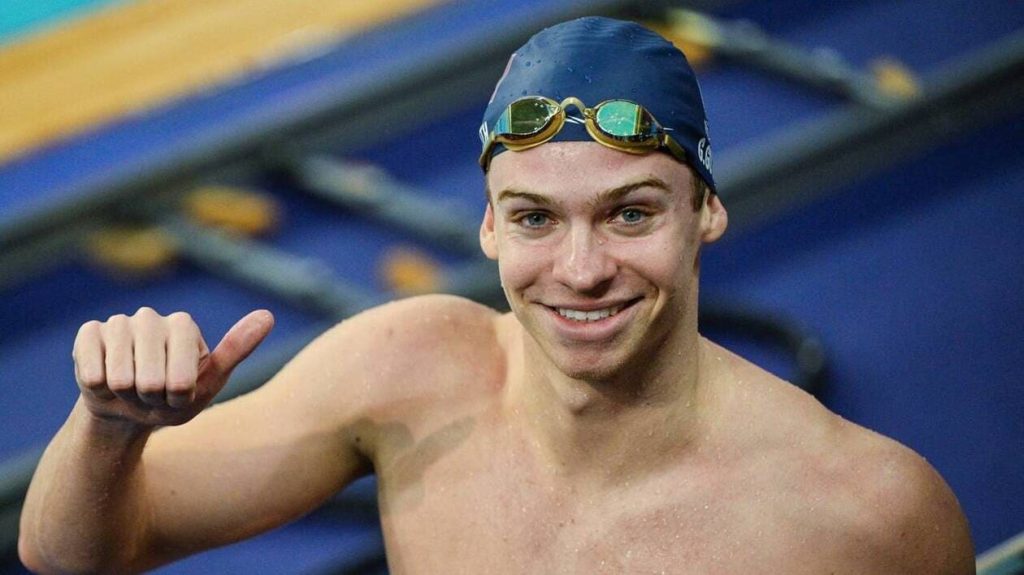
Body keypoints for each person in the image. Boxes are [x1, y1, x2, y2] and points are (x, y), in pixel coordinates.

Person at [19, 16, 974, 574]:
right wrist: (109, 428)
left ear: (707, 213)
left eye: (630, 214)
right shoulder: (406, 371)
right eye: (534, 219)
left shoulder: (864, 513)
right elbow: (74, 554)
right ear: (486, 226)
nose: (581, 268)